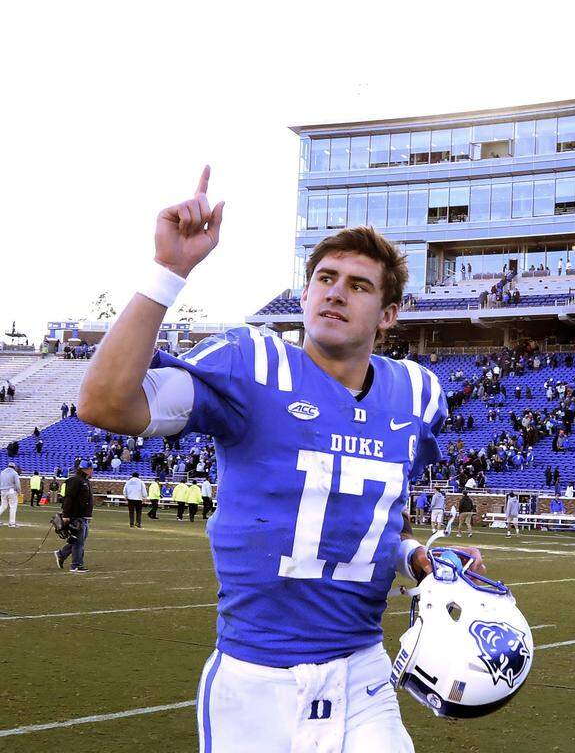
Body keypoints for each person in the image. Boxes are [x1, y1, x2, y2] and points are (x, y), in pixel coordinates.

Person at [73, 167, 485, 751]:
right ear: (306, 292)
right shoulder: (252, 365)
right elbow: (104, 402)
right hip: (256, 680)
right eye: (325, 278)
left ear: (388, 315)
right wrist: (169, 272)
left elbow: (371, 517)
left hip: (363, 670)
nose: (336, 291)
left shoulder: (417, 394)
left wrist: (415, 556)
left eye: (359, 285)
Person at [53, 460, 94, 573]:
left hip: (83, 516)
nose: (92, 471)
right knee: (79, 542)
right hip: (76, 516)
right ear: (84, 469)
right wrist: (66, 515)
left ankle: (61, 554)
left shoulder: (84, 481)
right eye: (91, 468)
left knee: (78, 541)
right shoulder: (75, 481)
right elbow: (68, 498)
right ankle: (76, 565)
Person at [0, 462, 19, 527]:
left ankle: (12, 523)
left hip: (3, 491)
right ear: (14, 467)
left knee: (3, 506)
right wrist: (19, 491)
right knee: (13, 507)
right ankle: (12, 523)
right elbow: (17, 484)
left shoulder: (2, 472)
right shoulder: (14, 473)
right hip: (11, 491)